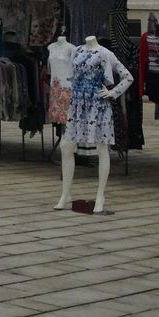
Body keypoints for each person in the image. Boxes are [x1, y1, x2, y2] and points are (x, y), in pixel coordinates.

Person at [54, 35, 133, 214]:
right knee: (66, 146)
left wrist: (113, 92)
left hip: (98, 105)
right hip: (78, 104)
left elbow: (128, 77)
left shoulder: (106, 53)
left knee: (102, 148)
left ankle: (100, 195)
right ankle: (65, 193)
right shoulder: (77, 50)